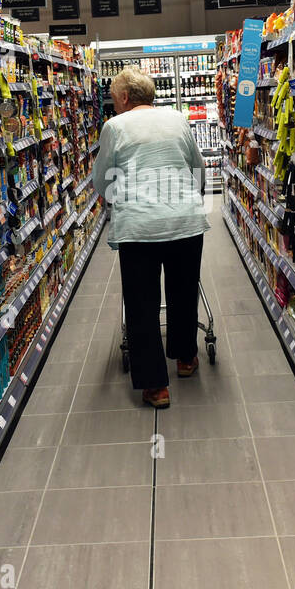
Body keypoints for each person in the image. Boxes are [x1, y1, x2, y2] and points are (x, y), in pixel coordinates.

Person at [92, 66, 209, 408]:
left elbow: (102, 180)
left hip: (139, 228)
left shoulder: (115, 126)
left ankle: (156, 386)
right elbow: (197, 168)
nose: (113, 106)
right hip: (185, 223)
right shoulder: (177, 119)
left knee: (142, 303)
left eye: (114, 99)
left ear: (125, 97)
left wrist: (119, 195)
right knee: (183, 292)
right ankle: (186, 359)